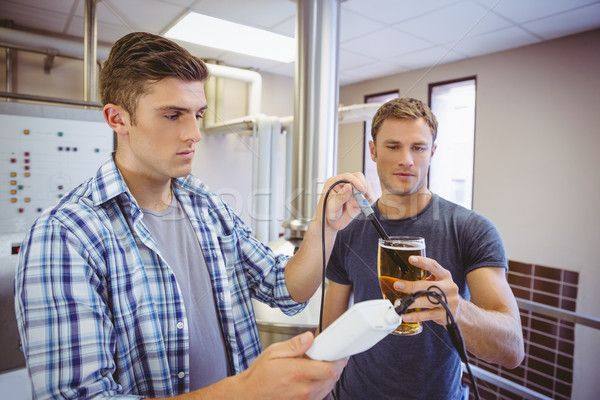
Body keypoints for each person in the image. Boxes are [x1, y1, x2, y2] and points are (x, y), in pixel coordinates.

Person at [14, 32, 372, 400]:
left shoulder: (205, 203)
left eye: (198, 114)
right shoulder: (65, 237)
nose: (194, 133)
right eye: (173, 115)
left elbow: (284, 287)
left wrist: (323, 227)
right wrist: (246, 391)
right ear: (117, 118)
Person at [321, 97, 525, 399]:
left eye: (418, 147)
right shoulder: (348, 229)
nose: (407, 159)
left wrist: (455, 309)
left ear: (432, 152)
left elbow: (512, 349)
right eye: (393, 146)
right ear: (373, 150)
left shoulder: (470, 229)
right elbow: (330, 336)